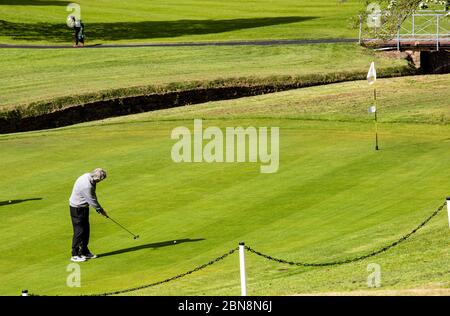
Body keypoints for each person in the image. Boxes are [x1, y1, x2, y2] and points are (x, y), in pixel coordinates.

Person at [69, 168, 108, 262]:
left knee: (86, 230)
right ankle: (75, 254)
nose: (99, 182)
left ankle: (84, 251)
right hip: (77, 208)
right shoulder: (86, 185)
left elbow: (93, 196)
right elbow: (92, 200)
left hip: (83, 207)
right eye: (100, 180)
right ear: (96, 178)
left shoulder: (88, 176)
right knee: (79, 231)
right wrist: (101, 210)